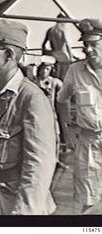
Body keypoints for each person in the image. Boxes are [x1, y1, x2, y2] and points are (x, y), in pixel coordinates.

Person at [0, 19, 57, 215]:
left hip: (15, 205)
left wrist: (24, 213)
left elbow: (39, 166)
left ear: (9, 54)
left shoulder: (31, 98)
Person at [57, 18, 102, 214]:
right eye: (85, 45)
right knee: (88, 198)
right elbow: (62, 99)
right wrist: (67, 130)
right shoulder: (75, 70)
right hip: (88, 142)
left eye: (93, 44)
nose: (88, 50)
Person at [33, 55, 69, 170]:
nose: (44, 71)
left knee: (56, 137)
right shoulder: (34, 82)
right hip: (37, 115)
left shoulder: (54, 82)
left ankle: (56, 160)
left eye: (47, 69)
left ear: (51, 70)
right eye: (43, 68)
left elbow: (65, 91)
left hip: (51, 115)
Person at [42, 13, 75, 80]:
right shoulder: (63, 29)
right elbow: (67, 43)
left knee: (56, 77)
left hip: (54, 55)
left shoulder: (51, 30)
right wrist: (71, 56)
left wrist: (45, 55)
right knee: (65, 78)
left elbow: (44, 45)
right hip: (64, 56)